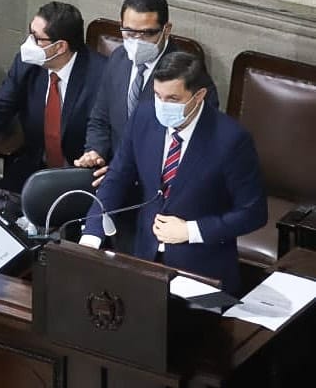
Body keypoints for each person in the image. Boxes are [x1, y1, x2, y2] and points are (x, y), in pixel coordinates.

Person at [80, 51, 266, 294]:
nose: (162, 105)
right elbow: (116, 178)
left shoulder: (231, 140)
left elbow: (253, 212)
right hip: (143, 257)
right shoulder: (144, 116)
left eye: (173, 99)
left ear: (199, 95)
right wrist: (92, 235)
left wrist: (191, 230)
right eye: (158, 96)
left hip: (200, 270)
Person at [75, 0, 219, 252]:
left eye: (147, 33)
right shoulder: (118, 59)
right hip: (114, 183)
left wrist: (128, 169)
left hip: (161, 196)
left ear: (166, 29)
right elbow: (100, 118)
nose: (137, 40)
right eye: (129, 32)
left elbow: (193, 148)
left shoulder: (191, 77)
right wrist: (95, 151)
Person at [0, 2, 106, 192]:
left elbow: (106, 132)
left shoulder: (102, 75)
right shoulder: (27, 63)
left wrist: (94, 156)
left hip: (81, 179)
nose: (28, 43)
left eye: (36, 38)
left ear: (60, 47)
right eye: (30, 32)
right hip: (34, 170)